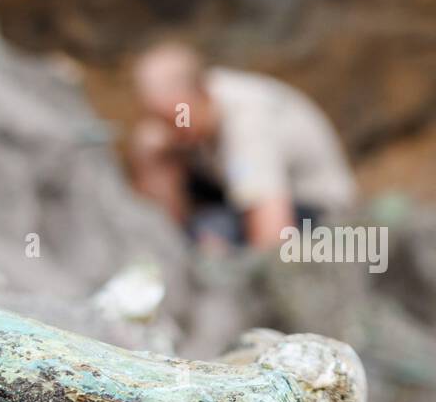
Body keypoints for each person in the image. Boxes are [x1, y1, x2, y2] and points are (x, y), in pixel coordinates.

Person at [127, 43, 356, 249]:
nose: (171, 129)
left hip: (321, 216)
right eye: (160, 119)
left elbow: (272, 233)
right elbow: (164, 219)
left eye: (176, 117)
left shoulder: (248, 124)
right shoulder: (193, 116)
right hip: (239, 193)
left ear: (201, 92)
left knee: (212, 230)